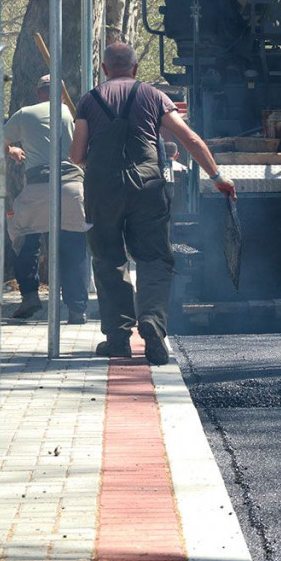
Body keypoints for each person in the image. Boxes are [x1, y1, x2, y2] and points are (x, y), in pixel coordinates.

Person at [69, 42, 235, 365]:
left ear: (104, 70)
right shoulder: (154, 96)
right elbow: (190, 139)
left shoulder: (89, 100)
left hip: (102, 190)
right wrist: (217, 177)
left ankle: (118, 338)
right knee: (155, 257)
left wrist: (103, 167)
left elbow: (76, 156)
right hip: (148, 187)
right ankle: (152, 323)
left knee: (108, 258)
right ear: (134, 69)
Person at [4, 74, 90, 324]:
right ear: (61, 93)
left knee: (23, 237)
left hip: (39, 186)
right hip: (73, 187)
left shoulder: (25, 113)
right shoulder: (73, 113)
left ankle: (29, 295)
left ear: (39, 92)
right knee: (75, 245)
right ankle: (77, 308)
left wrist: (11, 151)